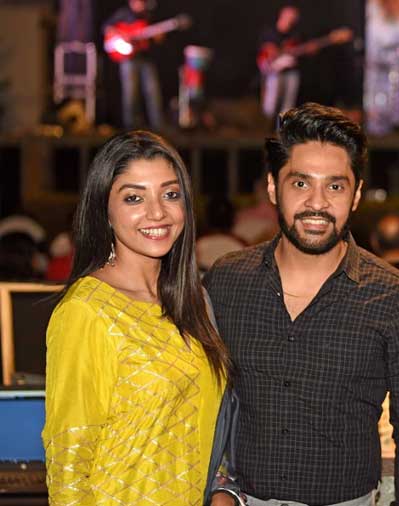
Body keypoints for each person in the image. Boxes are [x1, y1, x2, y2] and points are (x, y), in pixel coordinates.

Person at [204, 103, 399, 506]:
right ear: (274, 187)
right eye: (300, 184)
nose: (317, 203)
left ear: (357, 194)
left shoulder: (395, 296)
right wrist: (219, 486)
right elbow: (202, 401)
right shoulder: (227, 281)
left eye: (335, 186)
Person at [41, 130, 229, 504]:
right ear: (104, 212)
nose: (157, 212)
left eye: (170, 194)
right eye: (134, 198)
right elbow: (68, 466)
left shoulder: (192, 302)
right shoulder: (86, 311)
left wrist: (222, 487)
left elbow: (204, 423)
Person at [103, 0, 165, 129]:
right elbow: (106, 27)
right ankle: (131, 126)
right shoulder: (123, 13)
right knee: (130, 93)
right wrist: (123, 35)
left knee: (152, 91)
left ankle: (158, 126)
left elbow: (157, 38)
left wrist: (158, 37)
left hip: (145, 58)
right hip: (129, 59)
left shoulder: (149, 15)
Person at [258, 5, 304, 121]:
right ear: (282, 15)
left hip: (291, 71)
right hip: (274, 70)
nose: (291, 18)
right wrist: (280, 52)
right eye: (290, 15)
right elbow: (267, 49)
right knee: (271, 102)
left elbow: (298, 51)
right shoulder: (270, 31)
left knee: (289, 102)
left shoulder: (295, 34)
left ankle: (283, 128)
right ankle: (265, 125)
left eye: (294, 17)